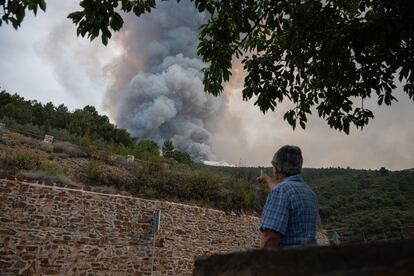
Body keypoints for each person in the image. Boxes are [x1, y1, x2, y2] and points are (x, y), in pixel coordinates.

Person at [257, 145, 318, 248]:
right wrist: (267, 179)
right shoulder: (310, 193)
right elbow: (284, 192)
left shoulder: (281, 191)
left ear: (277, 168)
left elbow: (270, 239)